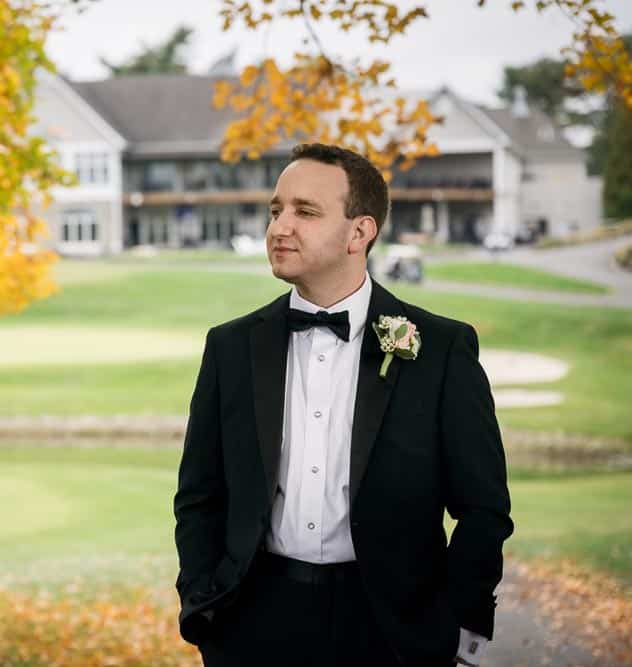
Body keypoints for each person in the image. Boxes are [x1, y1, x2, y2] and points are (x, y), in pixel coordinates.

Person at [172, 143, 513, 666]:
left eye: (305, 212)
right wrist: (203, 605)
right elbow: (199, 494)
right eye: (276, 209)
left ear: (361, 232)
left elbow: (483, 508)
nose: (280, 226)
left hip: (392, 628)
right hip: (254, 623)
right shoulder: (230, 347)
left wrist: (459, 621)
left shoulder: (441, 349)